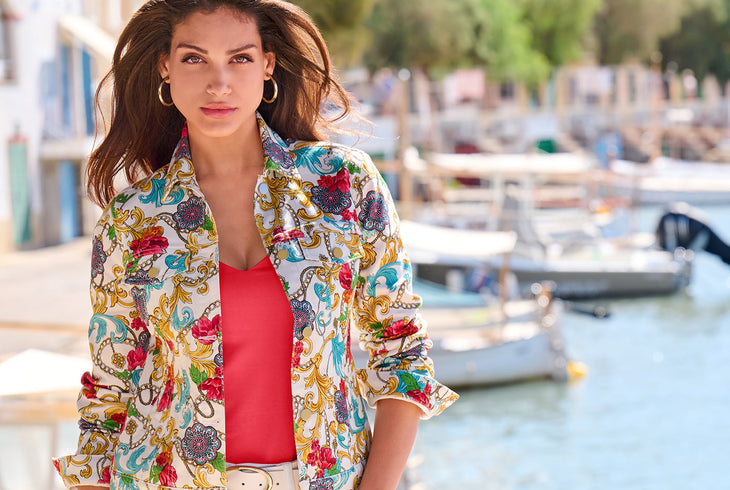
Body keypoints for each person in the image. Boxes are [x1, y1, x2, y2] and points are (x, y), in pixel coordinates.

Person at [52, 1, 458, 489]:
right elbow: (110, 390)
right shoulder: (132, 220)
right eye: (194, 58)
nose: (218, 84)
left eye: (240, 58)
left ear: (268, 64)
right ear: (165, 66)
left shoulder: (343, 186)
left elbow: (401, 352)